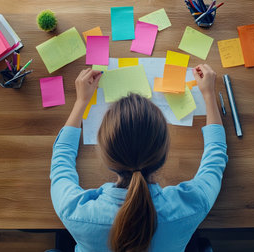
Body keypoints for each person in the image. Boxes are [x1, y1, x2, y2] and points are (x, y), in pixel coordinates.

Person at [50, 64, 228, 252]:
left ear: (104, 152)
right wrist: (209, 95)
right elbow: (216, 156)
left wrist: (81, 102)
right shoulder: (192, 205)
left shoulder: (74, 211)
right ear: (164, 152)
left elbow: (61, 157)